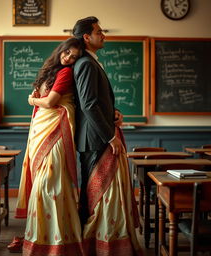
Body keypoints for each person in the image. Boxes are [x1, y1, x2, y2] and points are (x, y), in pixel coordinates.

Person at [72, 16, 143, 255]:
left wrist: (114, 111)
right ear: (86, 37)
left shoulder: (92, 62)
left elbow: (98, 102)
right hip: (95, 139)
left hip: (98, 135)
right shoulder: (85, 64)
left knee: (105, 196)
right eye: (99, 32)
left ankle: (107, 242)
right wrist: (110, 136)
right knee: (96, 197)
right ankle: (96, 246)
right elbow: (88, 105)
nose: (104, 35)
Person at [10, 37, 84, 256]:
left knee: (50, 184)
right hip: (41, 131)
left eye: (74, 57)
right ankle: (40, 236)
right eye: (67, 53)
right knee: (45, 185)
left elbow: (51, 102)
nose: (69, 58)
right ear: (61, 50)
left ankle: (56, 239)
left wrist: (32, 101)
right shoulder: (51, 71)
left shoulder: (66, 73)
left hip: (56, 131)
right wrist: (38, 100)